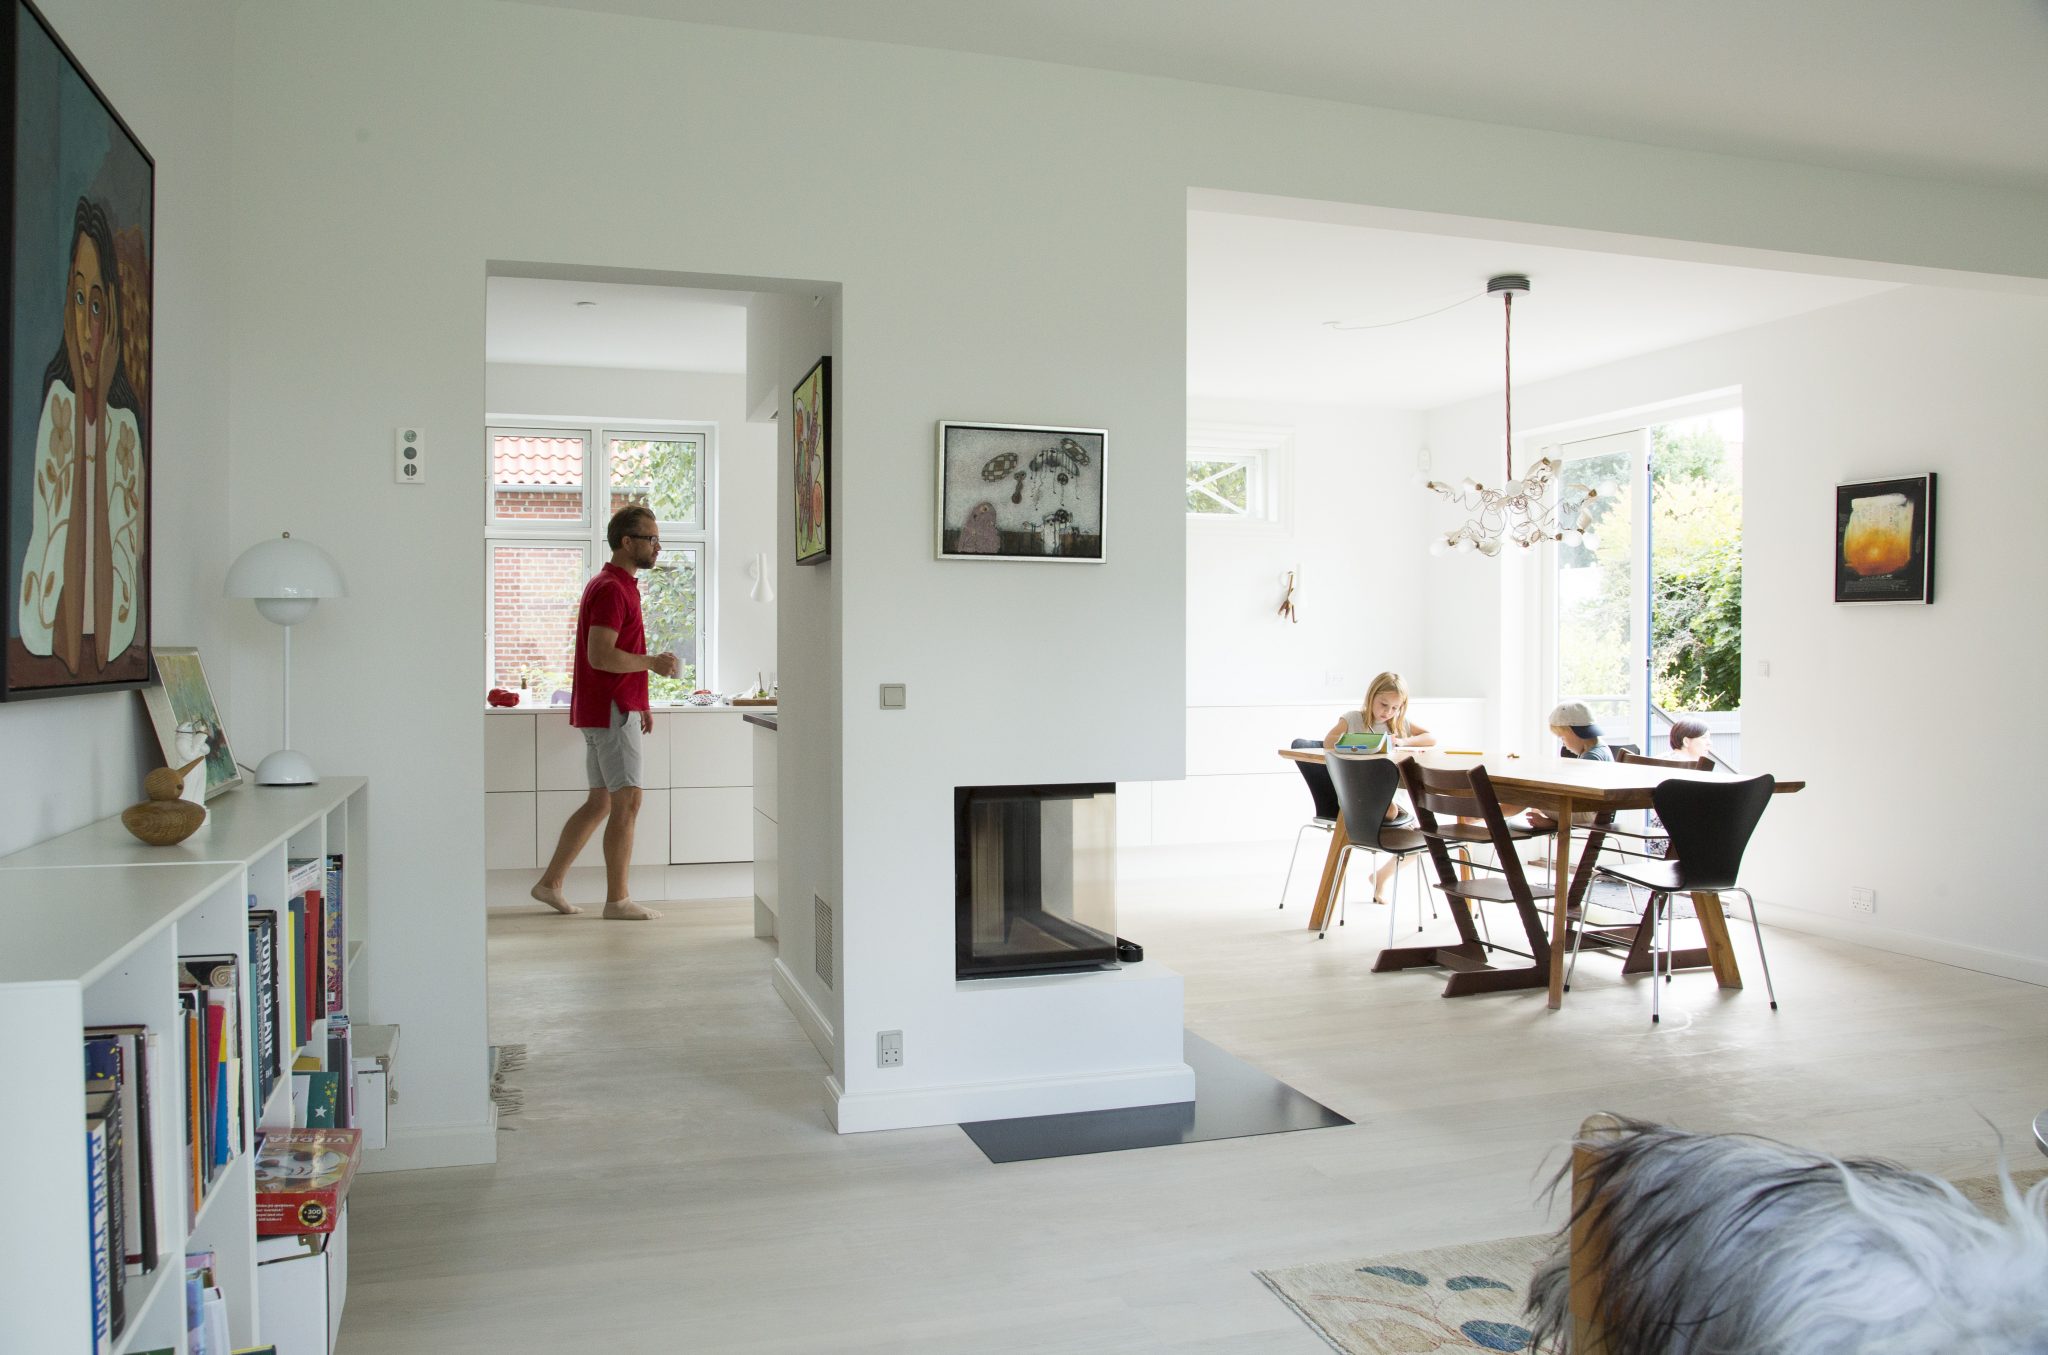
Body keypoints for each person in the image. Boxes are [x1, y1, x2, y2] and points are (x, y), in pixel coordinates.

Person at [17, 197, 146, 680]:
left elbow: (107, 642)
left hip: (111, 634)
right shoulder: (58, 407)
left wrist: (104, 402)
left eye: (95, 305)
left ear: (110, 314)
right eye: (76, 299)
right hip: (48, 627)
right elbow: (66, 644)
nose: (87, 326)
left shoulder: (125, 429)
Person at [530, 505, 680, 920]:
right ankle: (618, 901)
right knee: (627, 801)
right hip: (611, 709)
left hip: (608, 708)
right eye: (650, 538)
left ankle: (549, 884)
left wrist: (641, 701)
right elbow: (601, 655)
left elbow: (615, 653)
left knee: (600, 802)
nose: (658, 546)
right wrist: (652, 664)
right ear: (627, 542)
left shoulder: (616, 584)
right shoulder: (613, 589)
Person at [1322, 672, 1437, 901]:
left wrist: (1403, 741)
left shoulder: (1398, 724)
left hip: (1390, 797)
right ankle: (1381, 823)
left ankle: (1381, 877)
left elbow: (1430, 737)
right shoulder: (1353, 719)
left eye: (1395, 708)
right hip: (1356, 795)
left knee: (1422, 841)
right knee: (1391, 811)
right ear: (1372, 696)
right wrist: (1365, 743)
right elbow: (1328, 741)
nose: (1388, 712)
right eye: (1384, 704)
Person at [1526, 700, 1611, 831]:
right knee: (1537, 799)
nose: (1563, 744)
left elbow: (1575, 792)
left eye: (1562, 737)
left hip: (1587, 813)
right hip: (1593, 811)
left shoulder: (1591, 758)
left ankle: (1493, 819)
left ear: (1573, 732)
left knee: (1529, 796)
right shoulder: (1598, 747)